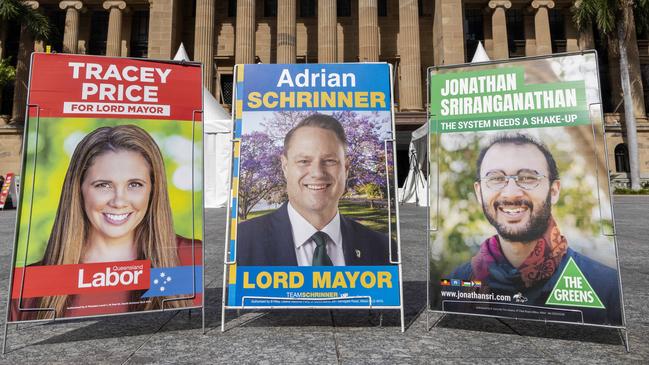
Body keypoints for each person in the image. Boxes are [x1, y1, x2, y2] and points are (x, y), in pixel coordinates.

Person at [13, 125, 200, 321]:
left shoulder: (189, 257)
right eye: (103, 185)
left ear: (153, 190)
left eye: (134, 184)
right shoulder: (31, 283)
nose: (119, 201)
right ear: (79, 189)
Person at [447, 133, 621, 325]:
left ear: (553, 191)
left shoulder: (605, 286)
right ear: (479, 192)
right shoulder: (458, 283)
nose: (511, 193)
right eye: (496, 178)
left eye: (528, 178)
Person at [237, 114, 392, 266]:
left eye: (330, 161)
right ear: (285, 167)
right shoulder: (241, 243)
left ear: (345, 168)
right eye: (304, 161)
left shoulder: (383, 248)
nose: (317, 173)